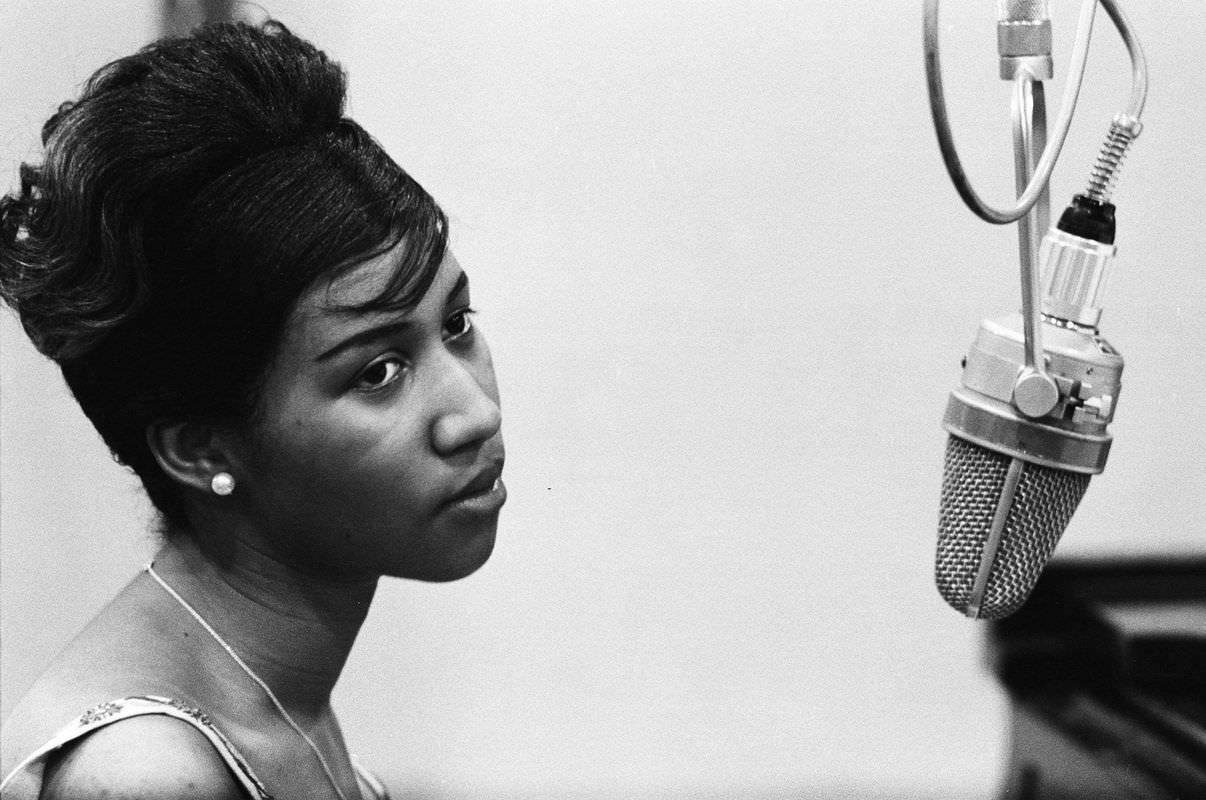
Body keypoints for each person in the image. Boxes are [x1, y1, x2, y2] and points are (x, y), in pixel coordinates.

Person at [0, 20, 505, 800]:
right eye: (377, 372)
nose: (471, 414)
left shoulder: (275, 704)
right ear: (201, 449)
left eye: (458, 325)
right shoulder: (148, 774)